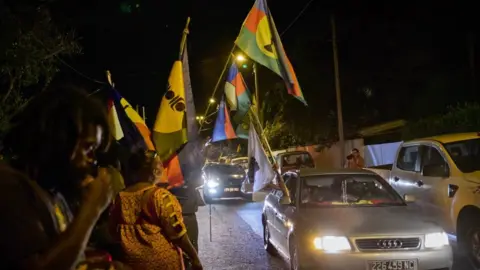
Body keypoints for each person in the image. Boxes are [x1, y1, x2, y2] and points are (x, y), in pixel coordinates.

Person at [0, 85, 118, 269]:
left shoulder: (53, 192)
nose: (93, 160)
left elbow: (63, 250)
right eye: (88, 148)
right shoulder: (10, 187)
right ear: (61, 138)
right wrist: (91, 210)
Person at [108, 150, 202, 270]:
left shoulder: (120, 197)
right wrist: (195, 258)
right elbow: (178, 234)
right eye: (160, 165)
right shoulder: (160, 196)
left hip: (132, 264)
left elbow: (113, 232)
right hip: (163, 264)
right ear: (155, 171)